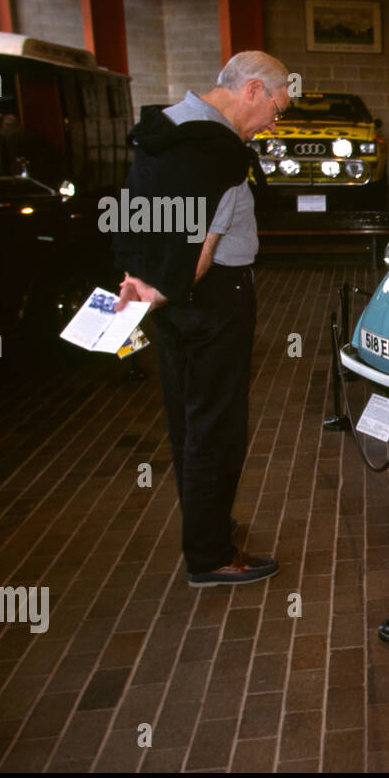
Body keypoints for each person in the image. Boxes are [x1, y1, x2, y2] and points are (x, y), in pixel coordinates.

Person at [114, 51, 291, 587]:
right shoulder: (218, 151)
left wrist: (136, 282)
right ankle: (211, 554)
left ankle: (206, 522)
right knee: (217, 427)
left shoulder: (163, 129)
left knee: (187, 419)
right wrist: (167, 291)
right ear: (254, 90)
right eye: (277, 110)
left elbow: (132, 210)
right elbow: (201, 253)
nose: (274, 123)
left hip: (162, 300)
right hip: (210, 299)